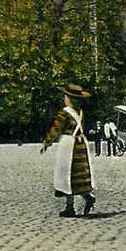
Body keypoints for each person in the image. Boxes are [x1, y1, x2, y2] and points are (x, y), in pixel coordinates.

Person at [40, 83, 96, 217]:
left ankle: (70, 207)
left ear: (68, 98)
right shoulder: (80, 113)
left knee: (66, 175)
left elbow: (56, 129)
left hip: (68, 145)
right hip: (81, 145)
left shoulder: (64, 113)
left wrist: (47, 143)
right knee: (78, 175)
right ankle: (87, 197)